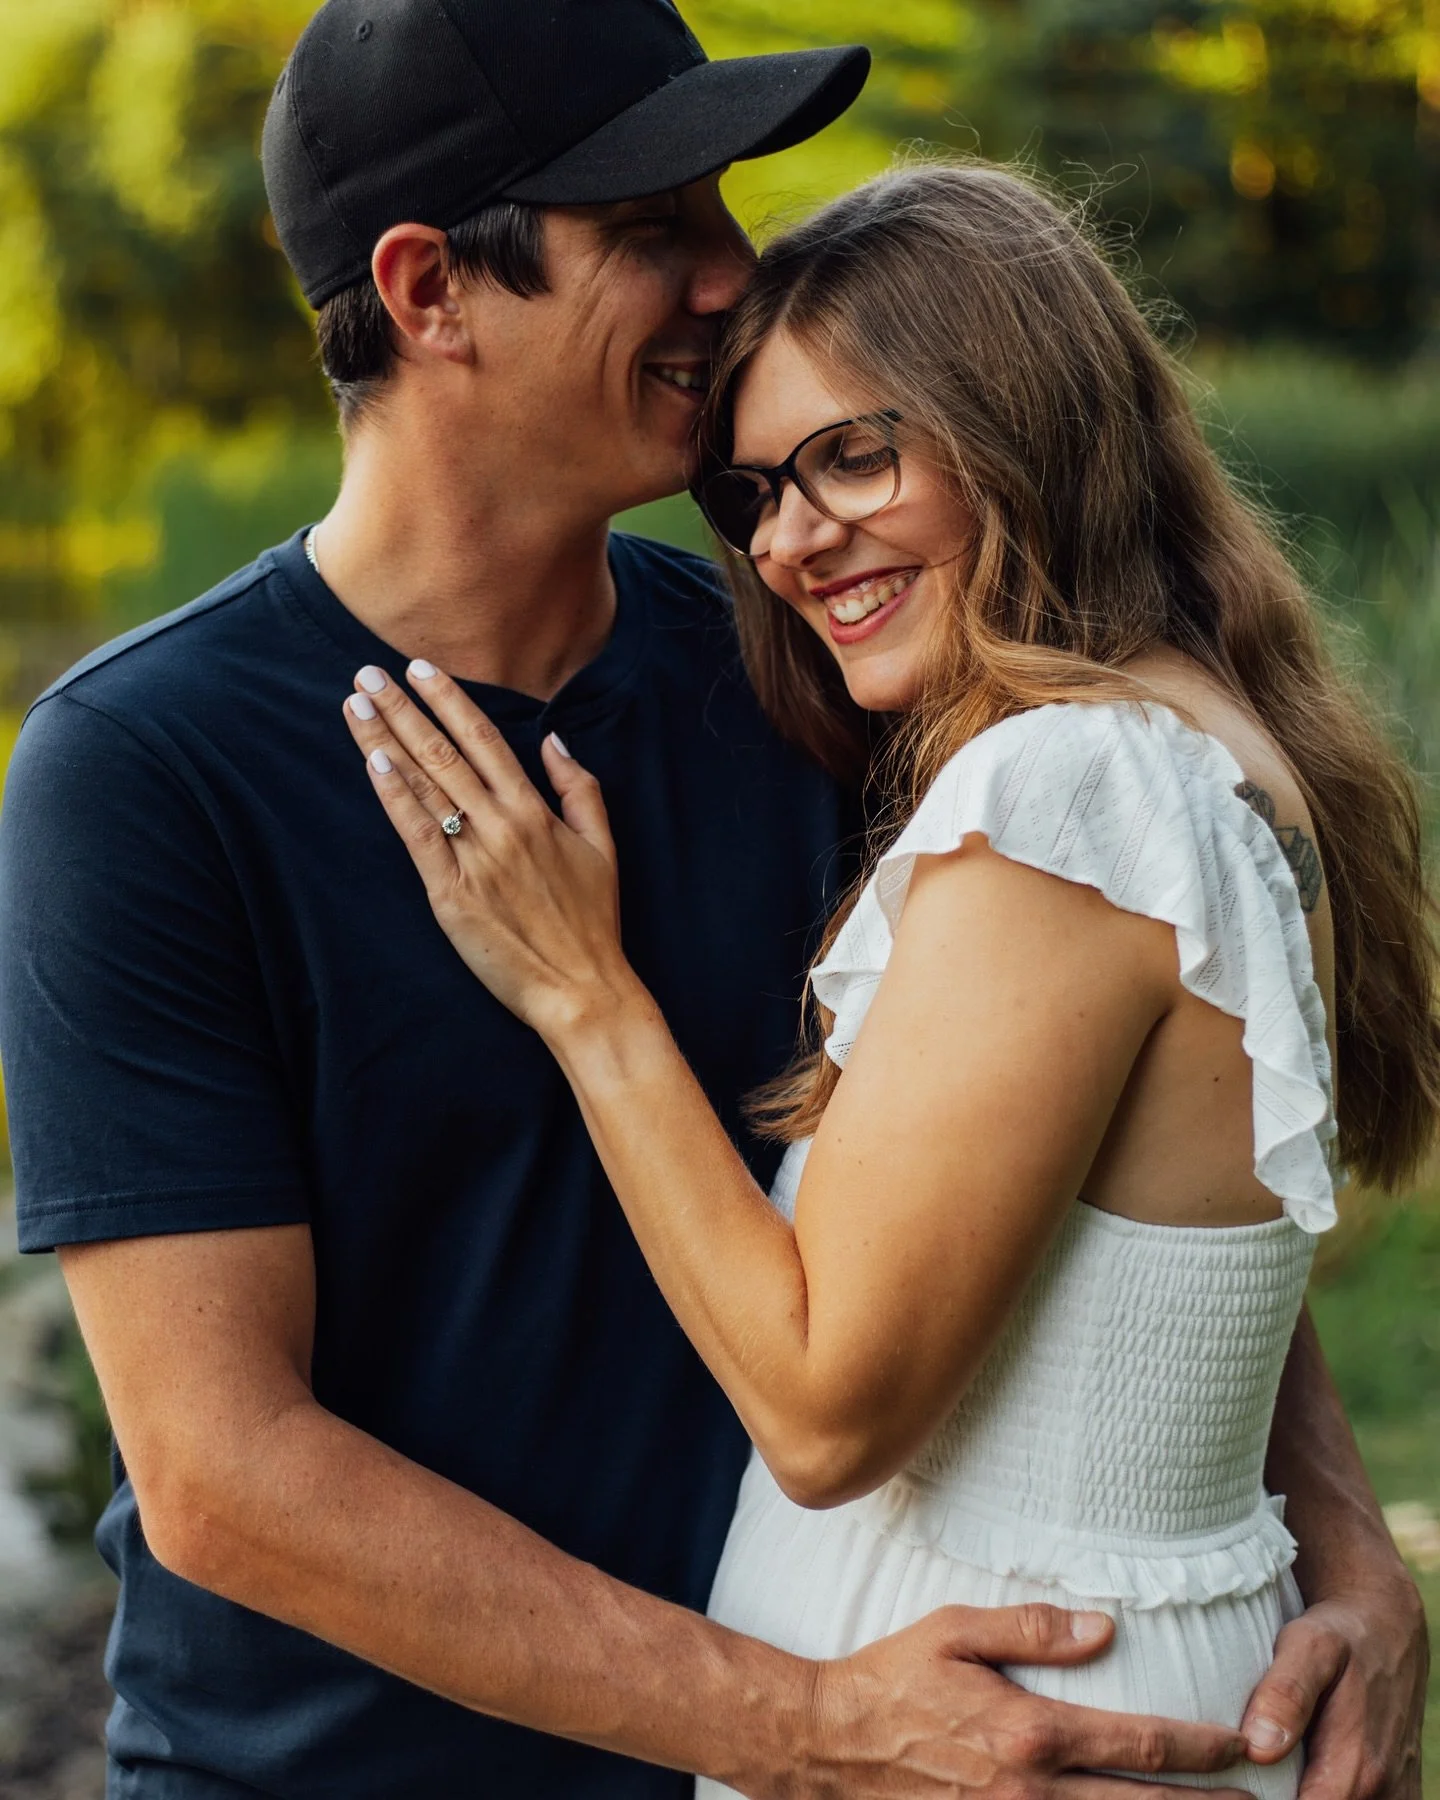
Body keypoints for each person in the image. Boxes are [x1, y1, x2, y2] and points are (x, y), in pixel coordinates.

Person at [0, 0, 1424, 1788]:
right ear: (431, 290)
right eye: (654, 228)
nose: (732, 275)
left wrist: (1337, 1537)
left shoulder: (805, 676)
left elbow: (1078, 1131)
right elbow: (224, 1475)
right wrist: (810, 1724)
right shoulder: (142, 769)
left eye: (724, 212)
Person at [334, 159, 1437, 1800]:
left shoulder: (1070, 794)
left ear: (1023, 421)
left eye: (856, 455)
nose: (791, 539)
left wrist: (584, 994)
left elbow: (826, 1412)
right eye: (757, 489)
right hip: (1103, 1672)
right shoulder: (1191, 746)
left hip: (1016, 1717)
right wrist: (1354, 1537)